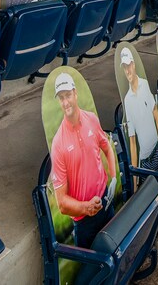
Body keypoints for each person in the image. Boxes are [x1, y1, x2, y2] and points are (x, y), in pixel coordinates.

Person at [50, 73, 117, 249]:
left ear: (75, 93)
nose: (65, 103)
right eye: (61, 98)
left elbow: (107, 147)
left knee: (116, 253)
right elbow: (62, 203)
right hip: (84, 223)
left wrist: (114, 177)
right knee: (91, 272)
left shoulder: (92, 119)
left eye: (68, 96)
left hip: (106, 204)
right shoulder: (58, 144)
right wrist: (87, 207)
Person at [120, 47, 158, 171]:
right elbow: (133, 141)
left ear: (133, 65)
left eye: (128, 65)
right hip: (144, 161)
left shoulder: (144, 84)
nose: (127, 71)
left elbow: (156, 116)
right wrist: (135, 183)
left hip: (156, 150)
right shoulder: (127, 100)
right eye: (124, 67)